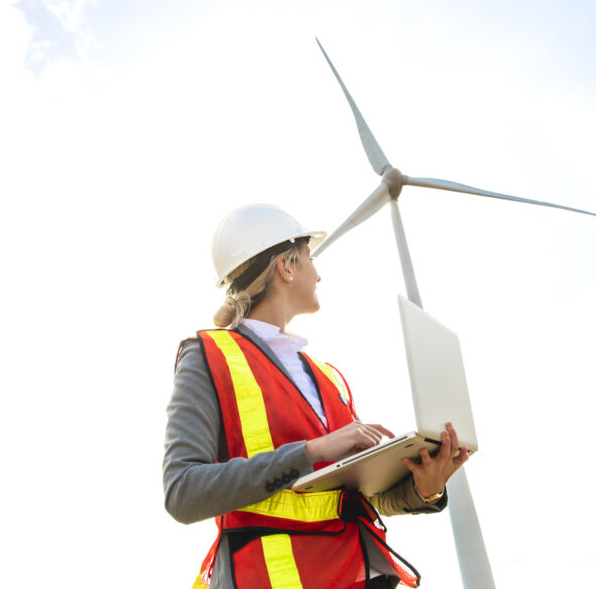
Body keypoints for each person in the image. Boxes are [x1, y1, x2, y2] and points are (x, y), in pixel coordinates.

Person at [163, 204, 470, 588]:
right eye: (310, 257)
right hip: (275, 577)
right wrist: (312, 451)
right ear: (286, 267)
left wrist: (426, 485)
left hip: (360, 574)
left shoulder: (329, 377)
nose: (319, 273)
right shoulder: (206, 355)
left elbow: (359, 498)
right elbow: (183, 492)